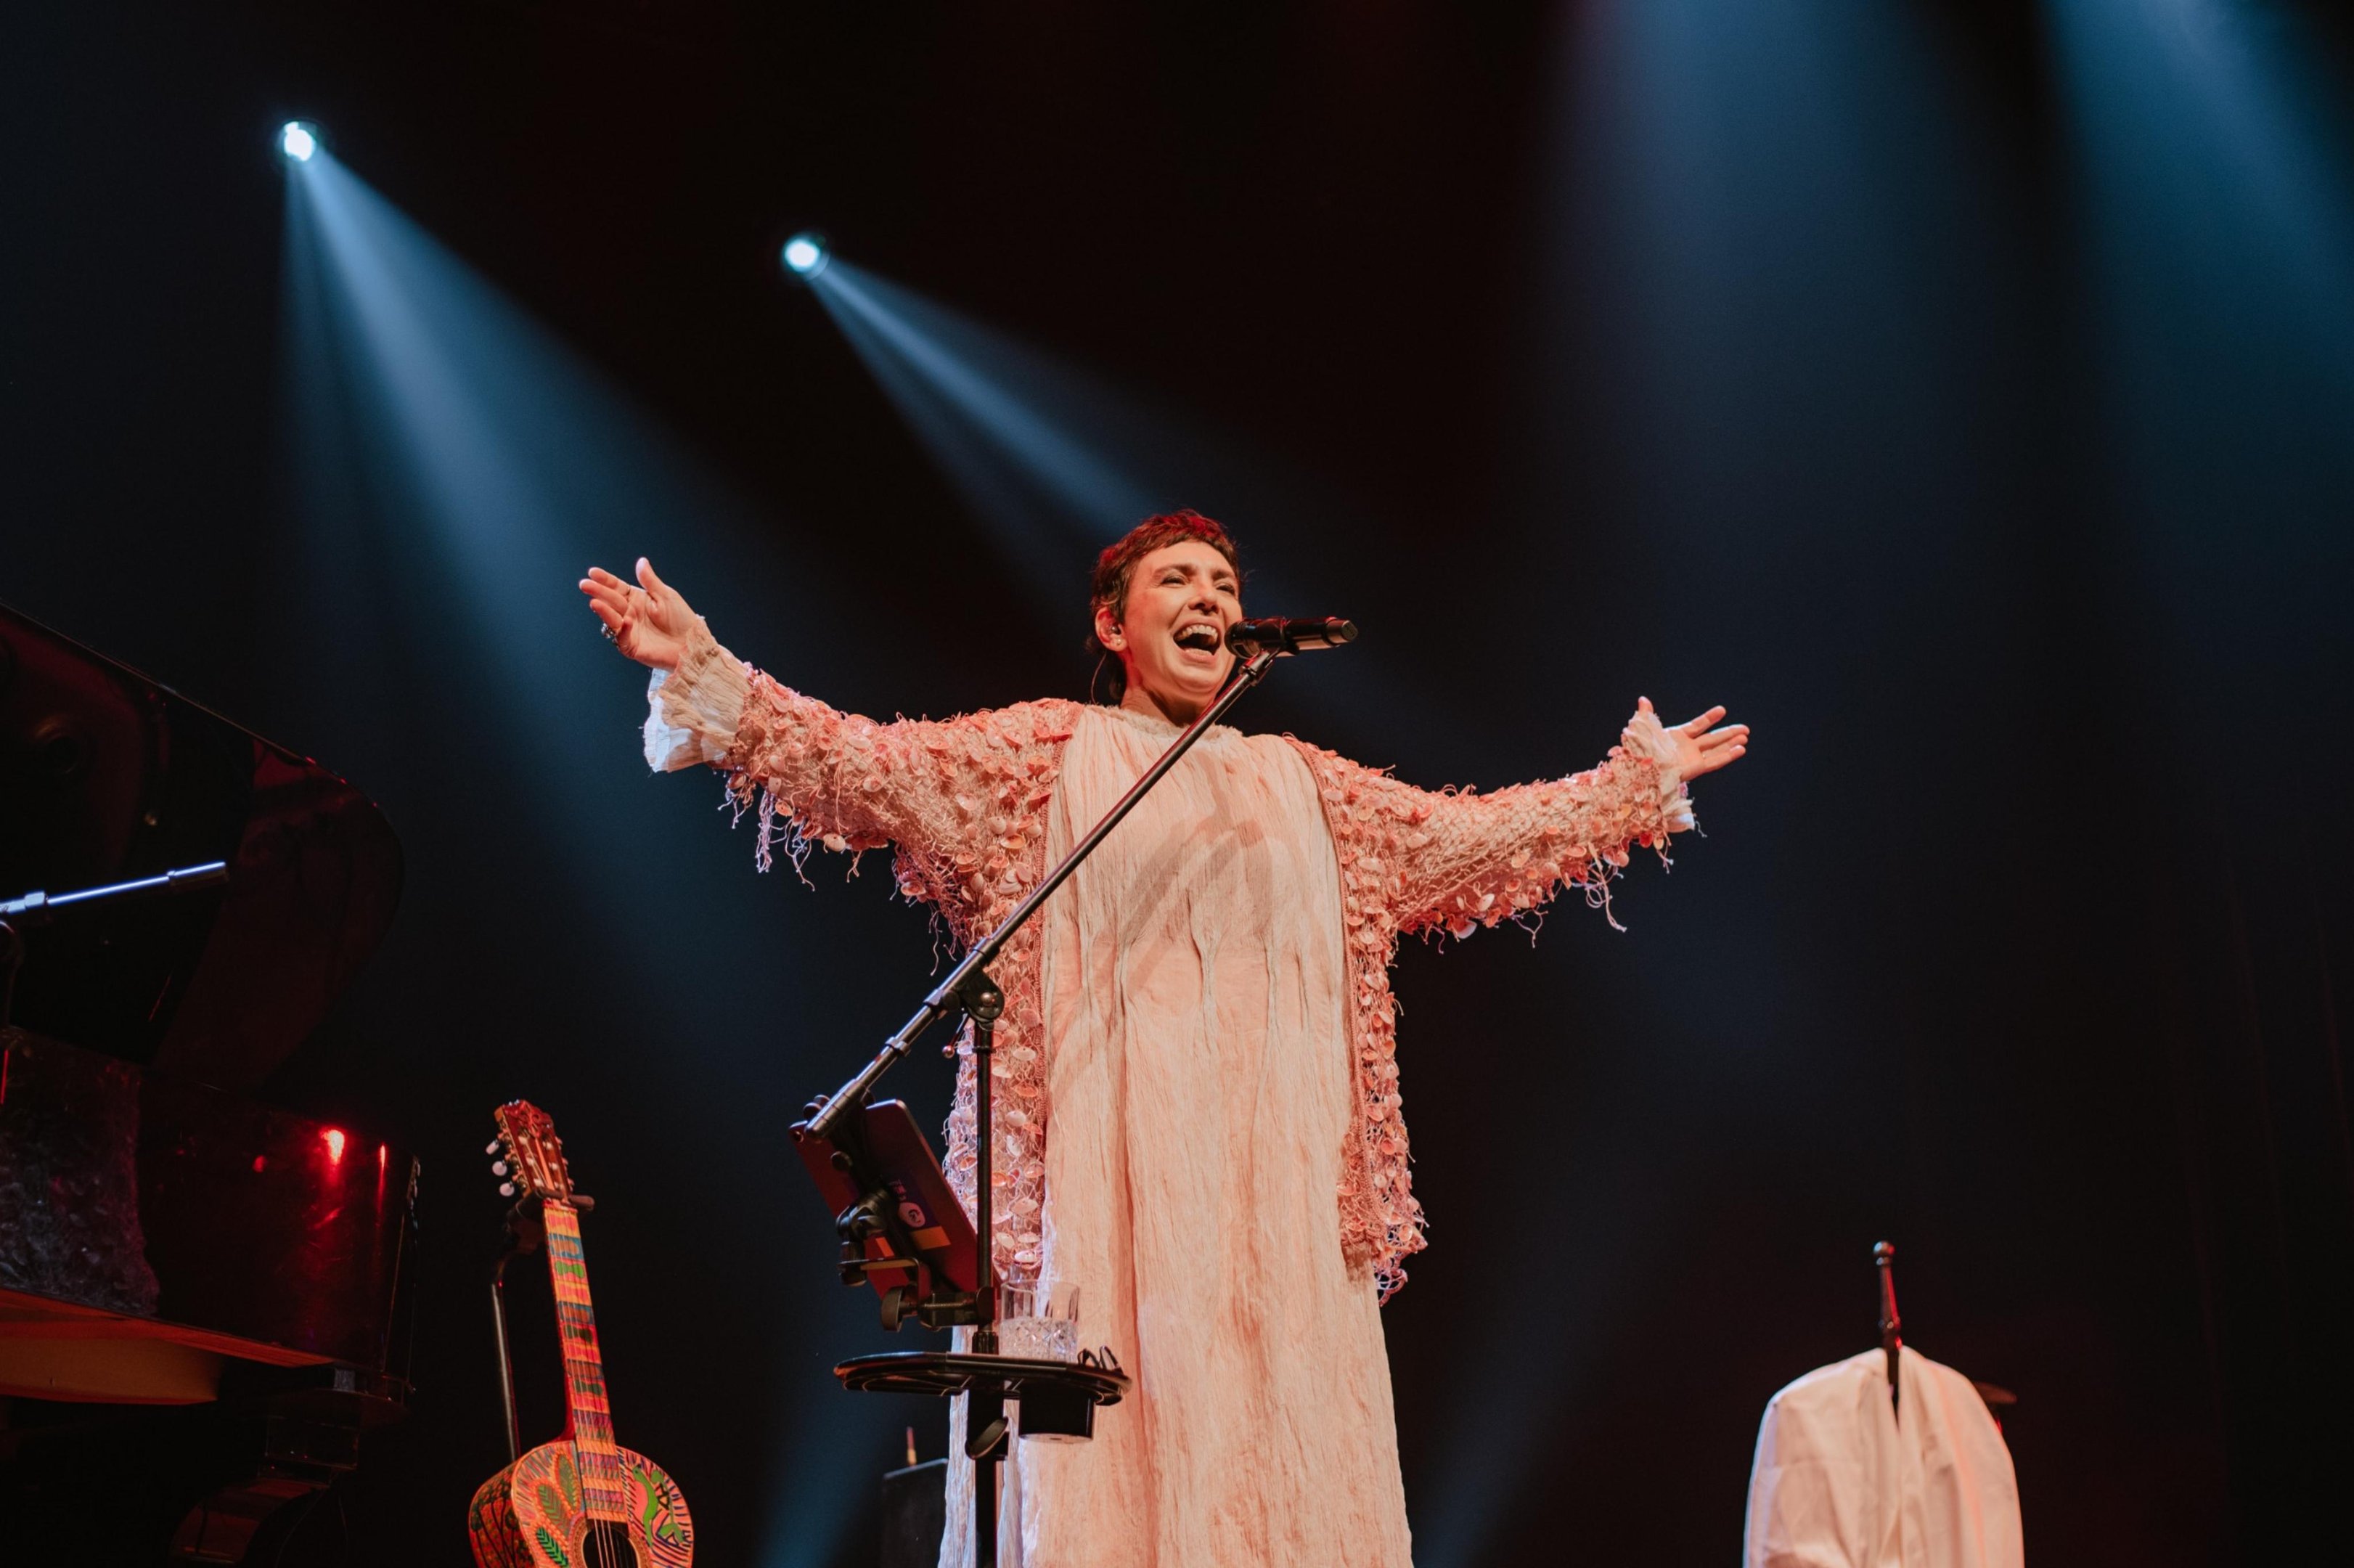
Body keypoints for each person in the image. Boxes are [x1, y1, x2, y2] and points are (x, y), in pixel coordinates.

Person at [581, 512, 1747, 1567]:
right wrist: (712, 675)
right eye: (1178, 578)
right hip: (1109, 1203)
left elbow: (1476, 843)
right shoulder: (1043, 761)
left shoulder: (1320, 793)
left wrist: (1630, 791)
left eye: (1227, 583)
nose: (1213, 599)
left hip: (1282, 1223)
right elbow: (867, 767)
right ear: (1113, 622)